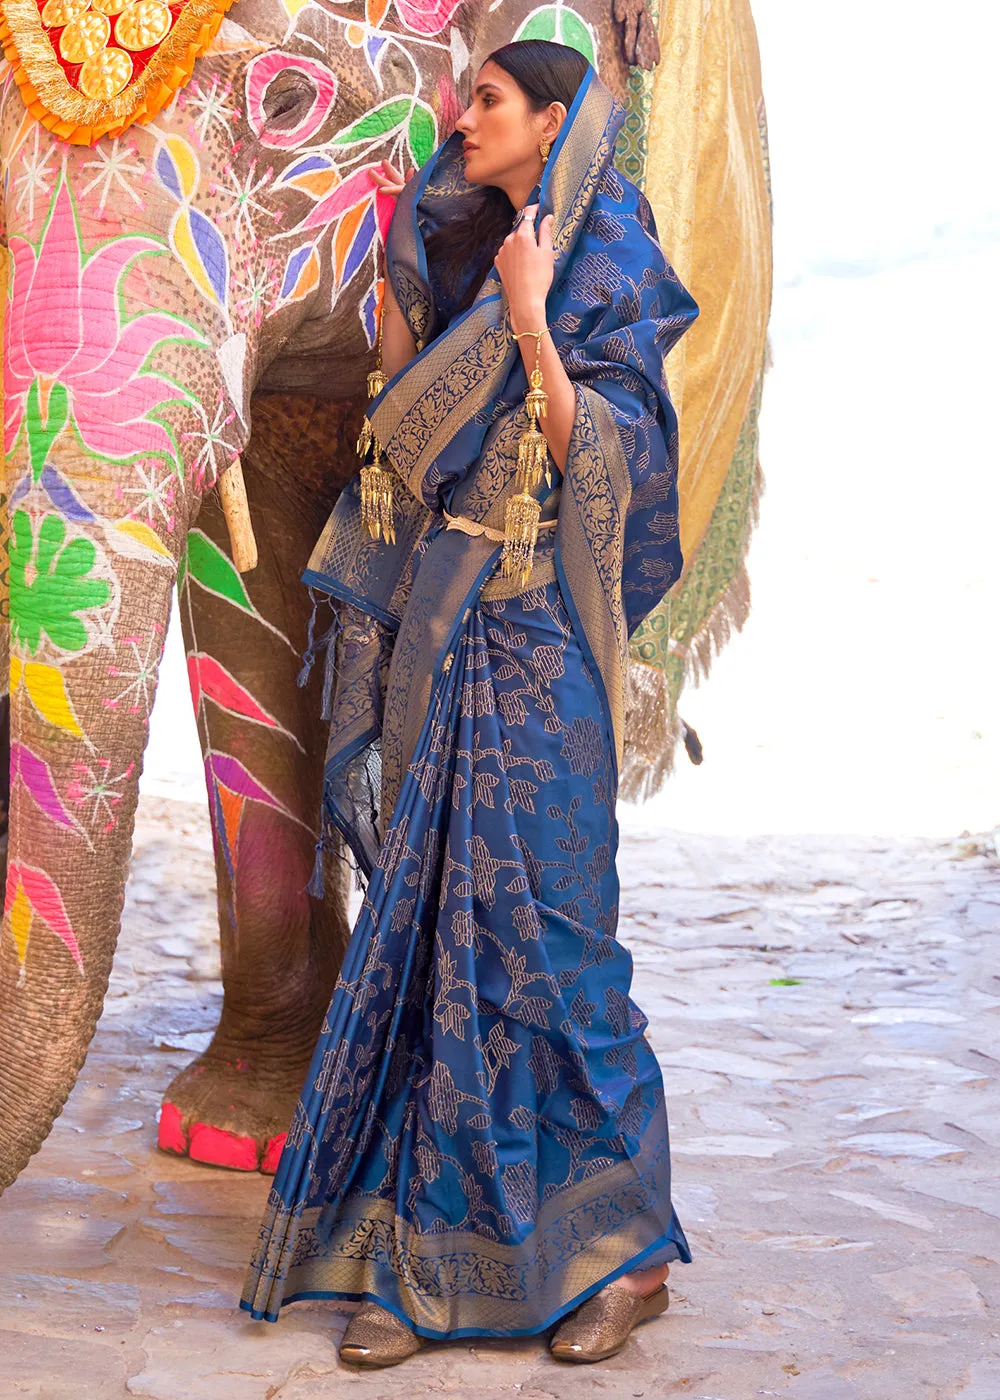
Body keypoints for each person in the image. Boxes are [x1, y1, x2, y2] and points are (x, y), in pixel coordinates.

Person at [240, 39, 699, 1368]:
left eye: (488, 100)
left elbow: (612, 460)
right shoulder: (457, 258)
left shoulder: (596, 260)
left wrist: (535, 313)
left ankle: (628, 1257)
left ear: (553, 119)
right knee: (438, 946)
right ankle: (421, 1264)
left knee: (555, 953)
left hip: (540, 649)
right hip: (440, 647)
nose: (461, 115)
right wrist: (437, 296)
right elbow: (396, 445)